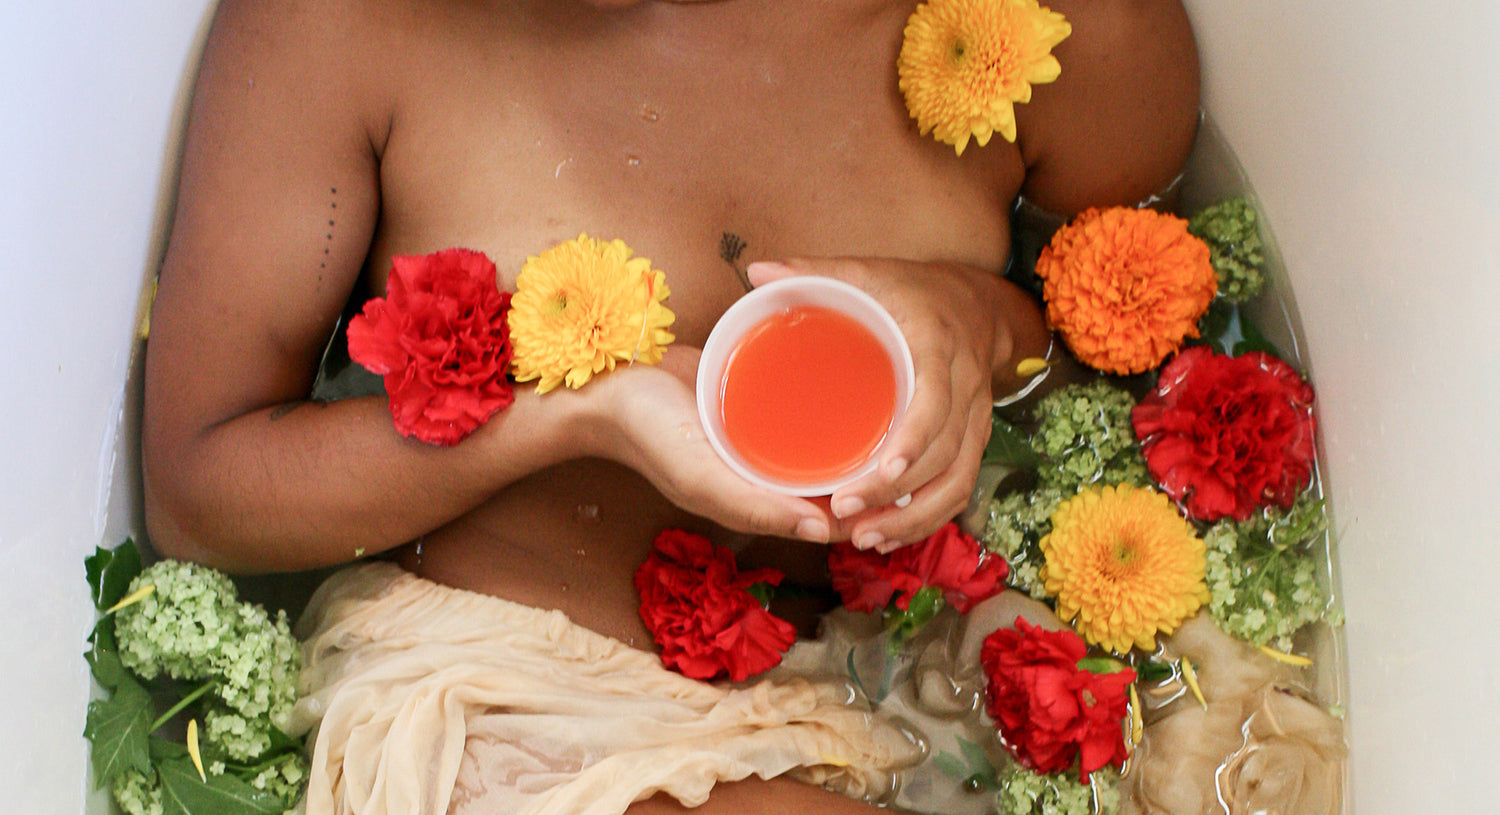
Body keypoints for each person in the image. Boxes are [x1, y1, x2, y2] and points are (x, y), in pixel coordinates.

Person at [140, 0, 1199, 812]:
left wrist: (975, 322)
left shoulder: (1062, 31)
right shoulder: (348, 24)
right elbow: (200, 493)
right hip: (504, 710)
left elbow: (1133, 337)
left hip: (912, 684)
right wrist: (579, 409)